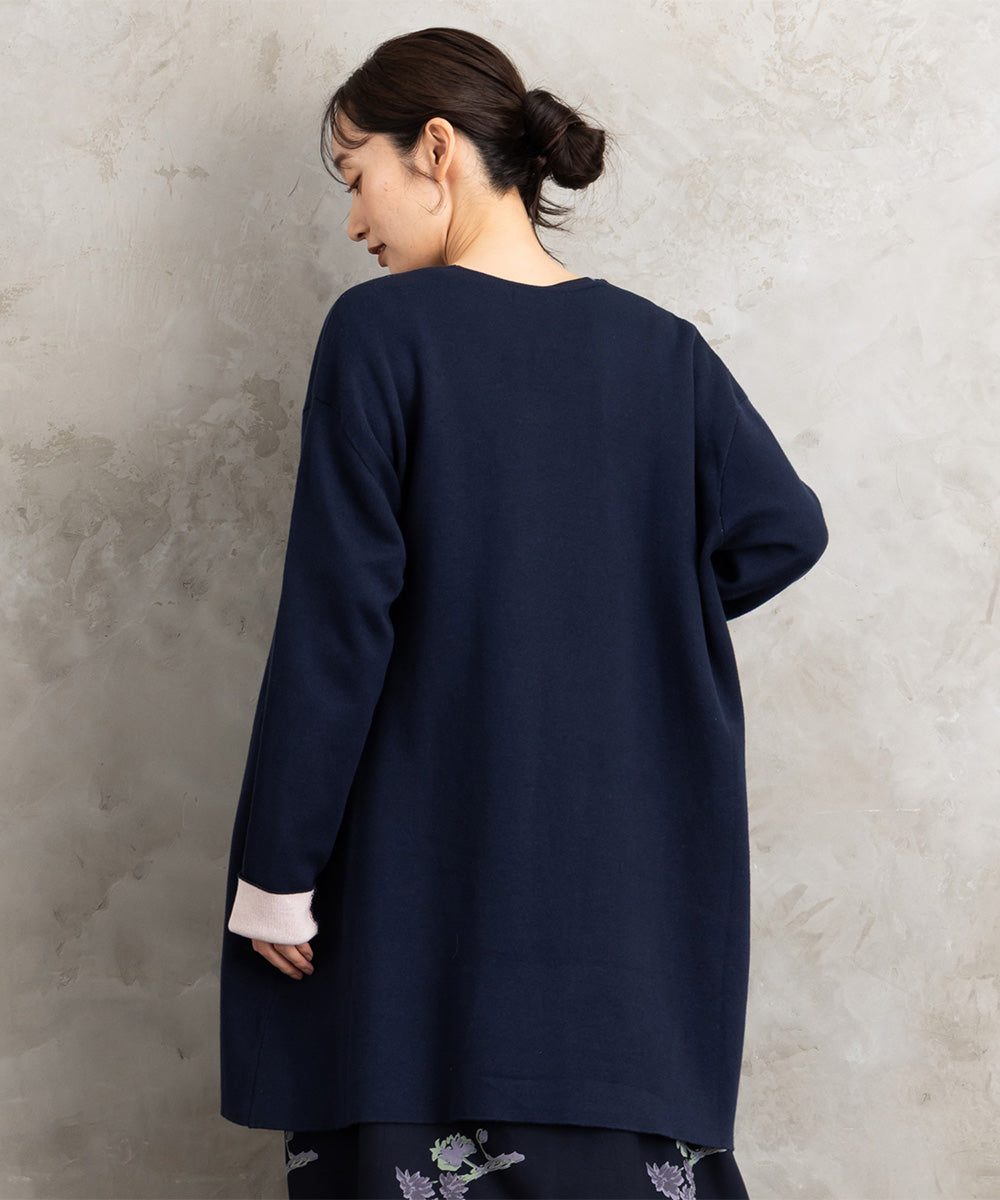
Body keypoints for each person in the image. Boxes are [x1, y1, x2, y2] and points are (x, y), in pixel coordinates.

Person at [218, 25, 828, 1200]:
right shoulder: (663, 353)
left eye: (356, 177)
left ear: (435, 149)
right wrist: (614, 613)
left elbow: (337, 624)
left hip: (420, 883)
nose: (354, 222)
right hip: (623, 917)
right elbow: (783, 529)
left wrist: (278, 879)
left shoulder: (381, 333)